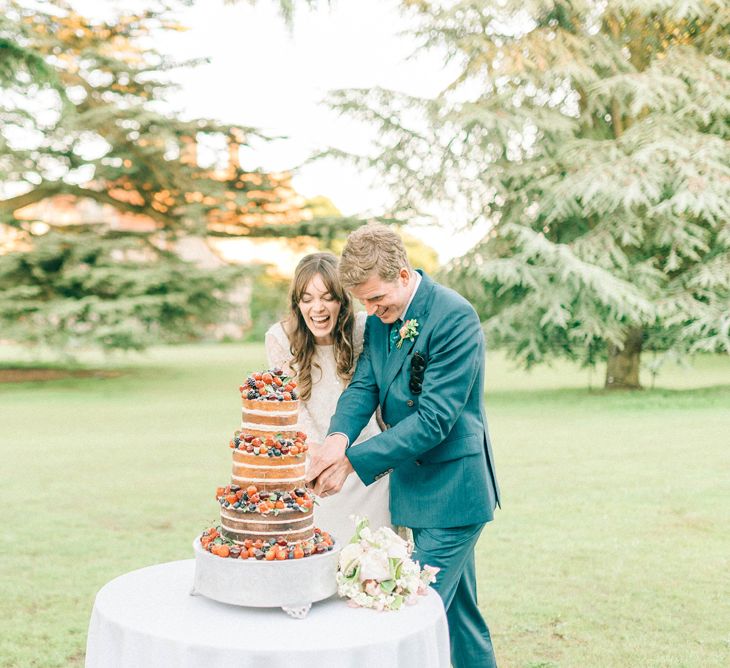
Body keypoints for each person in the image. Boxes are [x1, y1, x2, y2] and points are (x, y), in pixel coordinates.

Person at [307, 224, 500, 668]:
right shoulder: (379, 320)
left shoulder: (454, 316)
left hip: (454, 492)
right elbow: (364, 385)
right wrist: (337, 441)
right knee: (458, 619)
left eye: (377, 299)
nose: (372, 311)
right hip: (415, 487)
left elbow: (434, 420)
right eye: (365, 303)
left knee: (408, 617)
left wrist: (352, 463)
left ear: (401, 272)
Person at [265, 251, 391, 543]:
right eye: (307, 299)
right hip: (315, 469)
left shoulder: (364, 328)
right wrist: (321, 459)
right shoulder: (280, 339)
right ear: (297, 303)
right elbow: (293, 409)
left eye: (327, 297)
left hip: (368, 470)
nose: (317, 308)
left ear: (342, 299)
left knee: (372, 562)